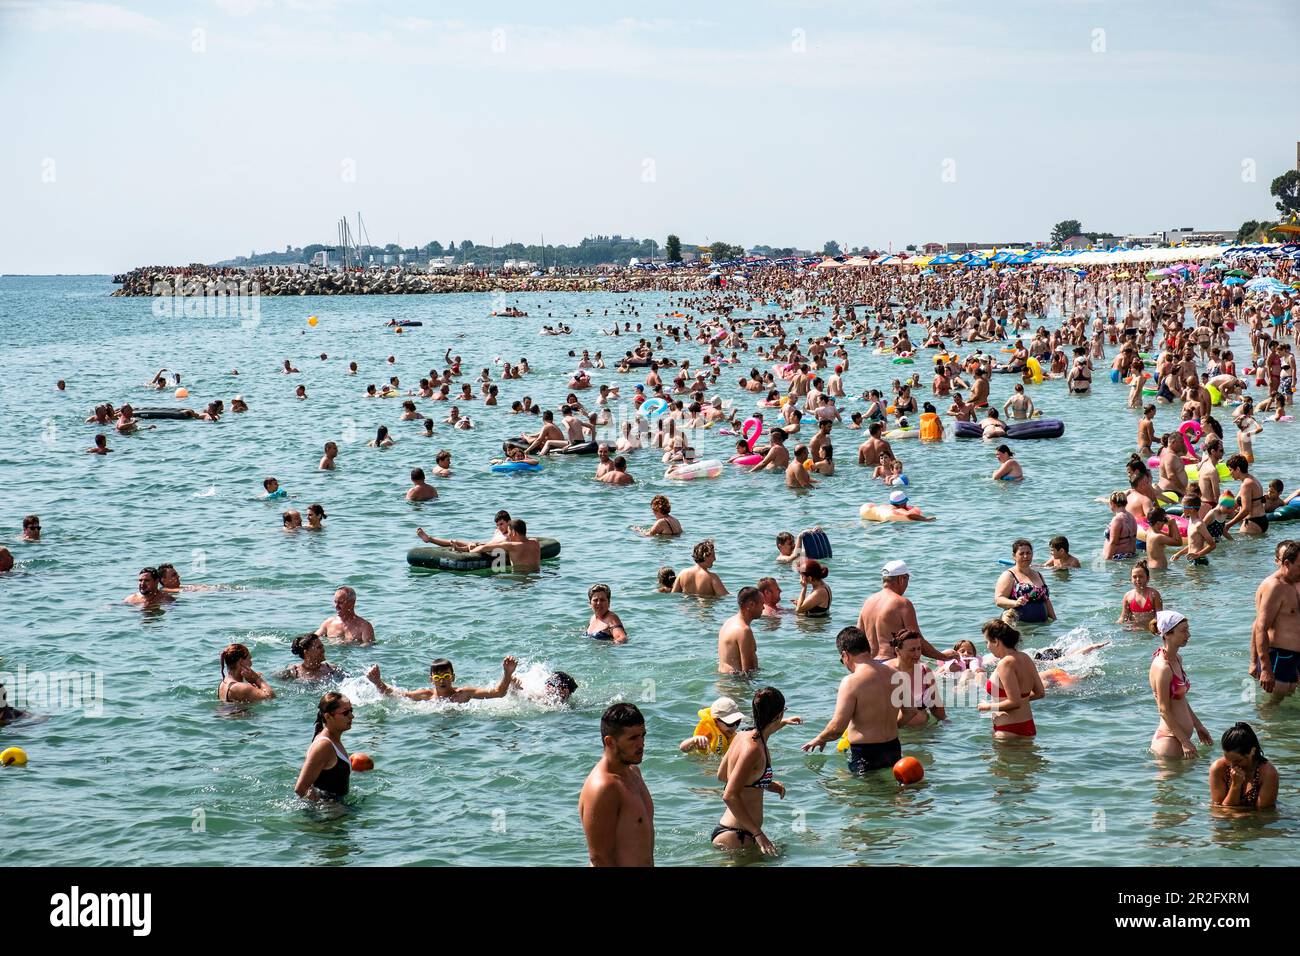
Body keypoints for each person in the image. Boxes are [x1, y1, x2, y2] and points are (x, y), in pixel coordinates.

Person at [801, 627, 904, 773]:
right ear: (868, 649)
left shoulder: (851, 682)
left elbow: (837, 727)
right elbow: (910, 712)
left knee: (859, 795)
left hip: (866, 754)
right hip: (894, 749)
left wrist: (820, 738)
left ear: (845, 655)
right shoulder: (897, 675)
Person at [712, 687, 794, 856]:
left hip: (733, 832)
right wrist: (759, 834)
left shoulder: (742, 735)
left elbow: (722, 775)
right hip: (738, 836)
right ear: (779, 715)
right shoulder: (754, 749)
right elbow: (728, 795)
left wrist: (765, 783)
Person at [579, 703, 654, 867]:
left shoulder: (634, 772)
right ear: (610, 742)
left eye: (643, 735)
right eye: (633, 738)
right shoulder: (603, 787)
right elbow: (600, 858)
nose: (641, 744)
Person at [1146, 610, 1212, 759]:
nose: (1188, 635)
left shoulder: (1177, 659)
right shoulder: (1162, 668)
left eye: (1188, 630)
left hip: (1182, 740)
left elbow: (1181, 699)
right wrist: (1184, 741)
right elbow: (1163, 710)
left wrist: (1198, 726)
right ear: (1167, 634)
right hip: (1169, 742)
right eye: (1183, 631)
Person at [858, 560, 952, 661]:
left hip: (871, 665)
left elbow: (858, 638)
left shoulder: (868, 602)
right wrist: (943, 657)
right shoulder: (902, 603)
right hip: (892, 665)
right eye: (907, 579)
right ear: (901, 579)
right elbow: (917, 640)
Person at [1251, 540, 1300, 699]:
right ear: (1286, 563)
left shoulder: (1295, 582)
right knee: (1272, 708)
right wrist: (1263, 667)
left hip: (1295, 657)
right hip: (1279, 657)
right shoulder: (1274, 587)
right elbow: (1260, 627)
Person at [366, 656, 518, 703]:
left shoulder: (463, 694)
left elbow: (498, 693)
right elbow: (393, 695)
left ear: (453, 677)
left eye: (446, 676)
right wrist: (377, 682)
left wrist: (507, 673)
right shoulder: (425, 695)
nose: (442, 681)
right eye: (438, 677)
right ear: (431, 679)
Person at [293, 692, 354, 800]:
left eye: (351, 710)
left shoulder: (334, 740)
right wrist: (324, 809)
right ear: (328, 716)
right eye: (345, 713)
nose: (352, 716)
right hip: (329, 814)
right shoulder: (323, 745)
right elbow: (301, 788)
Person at [1209, 723, 1278, 810]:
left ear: (1252, 751)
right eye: (1228, 760)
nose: (1232, 766)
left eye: (1238, 761)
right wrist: (1235, 785)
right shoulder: (1218, 768)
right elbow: (1218, 810)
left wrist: (1234, 814)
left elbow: (1263, 813)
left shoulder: (1268, 773)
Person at [994, 539, 1056, 624]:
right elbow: (999, 600)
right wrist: (1015, 603)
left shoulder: (1039, 575)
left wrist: (1055, 620)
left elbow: (1046, 600)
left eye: (1028, 553)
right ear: (1014, 556)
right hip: (1018, 627)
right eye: (1021, 554)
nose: (1025, 556)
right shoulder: (1009, 575)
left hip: (1042, 627)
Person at [717, 587, 764, 674]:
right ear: (751, 605)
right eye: (762, 603)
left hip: (724, 681)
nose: (764, 608)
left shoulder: (729, 622)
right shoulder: (743, 631)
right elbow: (748, 671)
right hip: (736, 684)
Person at [680, 696, 745, 754]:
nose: (734, 727)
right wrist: (694, 740)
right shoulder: (707, 737)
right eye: (730, 723)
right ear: (716, 721)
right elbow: (683, 749)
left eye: (737, 722)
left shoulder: (734, 736)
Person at [1223, 454, 1267, 536]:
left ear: (1238, 469)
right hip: (1261, 520)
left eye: (1230, 470)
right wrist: (1219, 513)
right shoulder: (1251, 480)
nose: (1230, 473)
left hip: (1252, 522)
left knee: (1242, 548)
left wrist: (1228, 525)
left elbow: (1246, 510)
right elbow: (1235, 504)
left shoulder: (1246, 484)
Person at [1118, 560, 1162, 628]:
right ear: (1131, 579)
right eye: (1134, 577)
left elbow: (1159, 615)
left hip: (1149, 629)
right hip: (1134, 629)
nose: (1138, 579)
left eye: (1141, 576)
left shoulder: (1154, 594)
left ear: (1148, 578)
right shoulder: (1128, 596)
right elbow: (1123, 616)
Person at [1102, 490, 1138, 560]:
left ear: (1112, 503)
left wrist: (1107, 559)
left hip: (1118, 559)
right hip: (1130, 555)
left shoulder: (1117, 519)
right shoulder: (1131, 517)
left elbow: (1113, 543)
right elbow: (1133, 539)